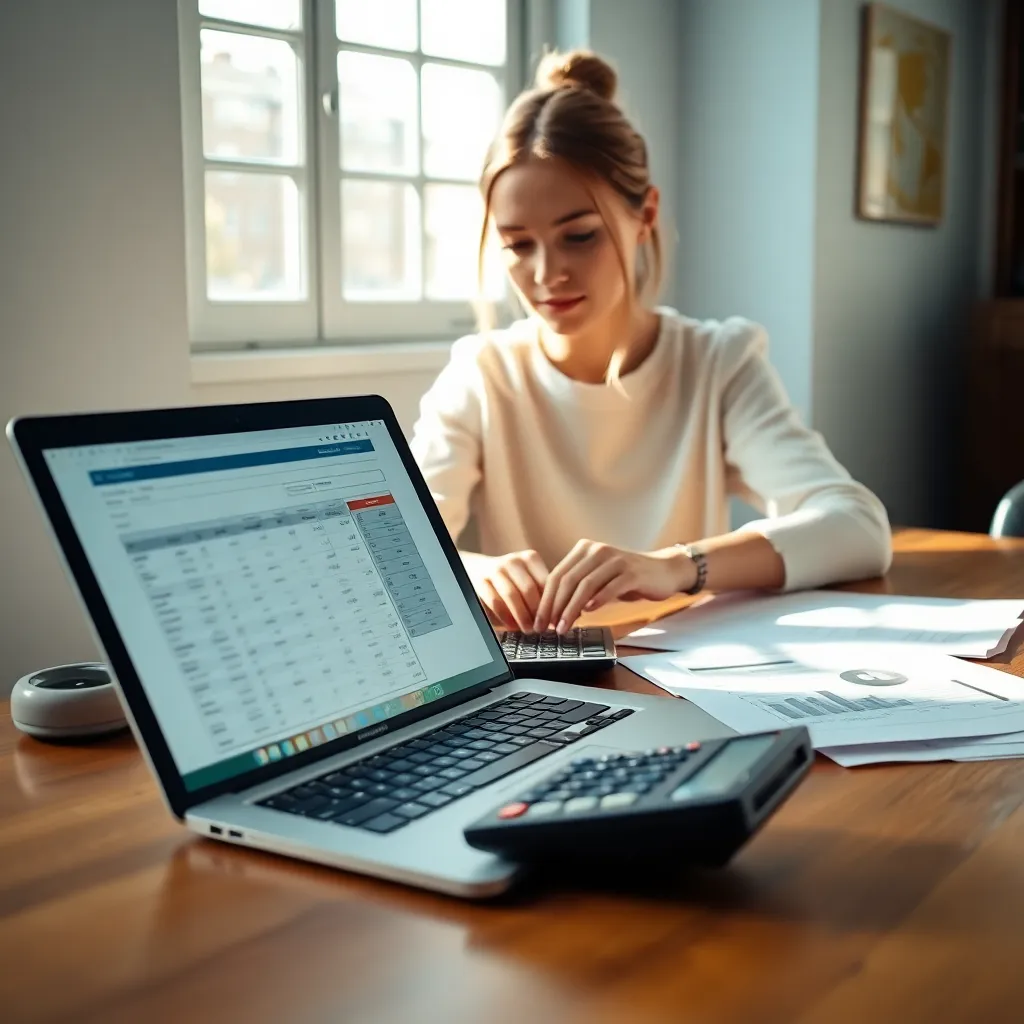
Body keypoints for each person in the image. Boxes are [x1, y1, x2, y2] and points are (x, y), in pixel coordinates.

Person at [410, 49, 892, 635]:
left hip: (697, 684)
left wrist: (677, 567)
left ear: (646, 217)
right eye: (518, 244)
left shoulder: (718, 362)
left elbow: (857, 527)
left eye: (579, 236)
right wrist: (472, 569)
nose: (545, 274)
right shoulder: (482, 374)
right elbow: (396, 548)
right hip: (547, 699)